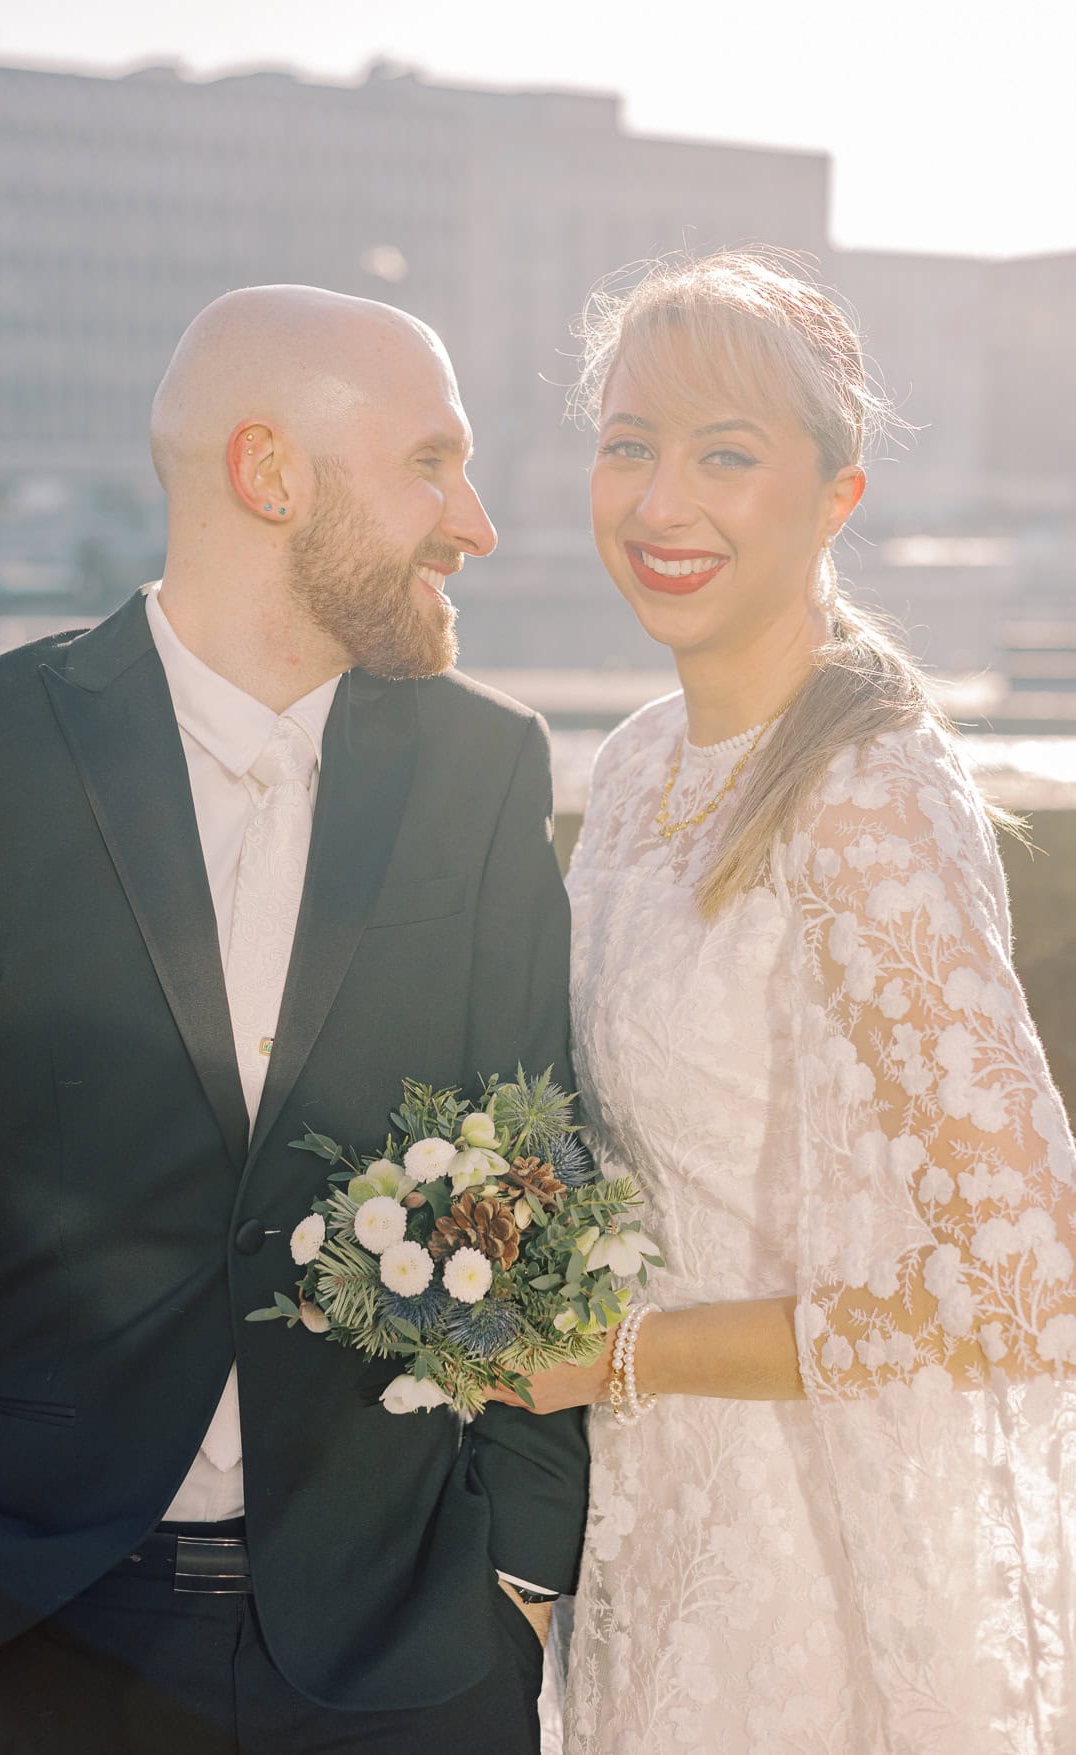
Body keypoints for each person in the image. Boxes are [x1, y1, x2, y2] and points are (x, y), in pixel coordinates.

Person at [0, 285, 589, 1754]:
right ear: (268, 474)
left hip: (402, 1644)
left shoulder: (483, 772)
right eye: (429, 463)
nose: (471, 521)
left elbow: (546, 1173)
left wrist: (518, 1577)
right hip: (4, 1634)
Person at [488, 251, 1076, 1752]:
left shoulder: (864, 794)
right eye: (628, 445)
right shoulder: (628, 771)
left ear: (835, 497)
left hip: (810, 1568)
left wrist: (622, 1357)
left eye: (724, 456)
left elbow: (1029, 1281)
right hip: (645, 1532)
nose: (659, 504)